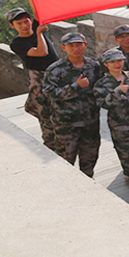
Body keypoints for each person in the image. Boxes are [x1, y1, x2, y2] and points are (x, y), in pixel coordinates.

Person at [42, 32, 101, 177]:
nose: (76, 48)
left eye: (79, 45)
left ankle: (87, 183)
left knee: (90, 158)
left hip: (90, 122)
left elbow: (101, 89)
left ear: (85, 45)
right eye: (71, 46)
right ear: (63, 47)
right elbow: (50, 94)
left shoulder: (94, 66)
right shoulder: (55, 69)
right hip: (67, 125)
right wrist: (75, 86)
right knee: (65, 161)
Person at [93, 49, 129, 191]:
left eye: (119, 60)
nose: (117, 64)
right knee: (126, 153)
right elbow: (102, 103)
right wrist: (117, 92)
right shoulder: (102, 83)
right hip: (120, 124)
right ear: (106, 64)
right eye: (112, 62)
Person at [6, 7, 59, 151]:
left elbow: (37, 8)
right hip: (40, 79)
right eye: (19, 23)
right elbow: (42, 52)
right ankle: (51, 147)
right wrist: (39, 34)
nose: (25, 25)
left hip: (57, 74)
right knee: (46, 114)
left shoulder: (36, 26)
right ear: (12, 25)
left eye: (26, 21)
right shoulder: (17, 44)